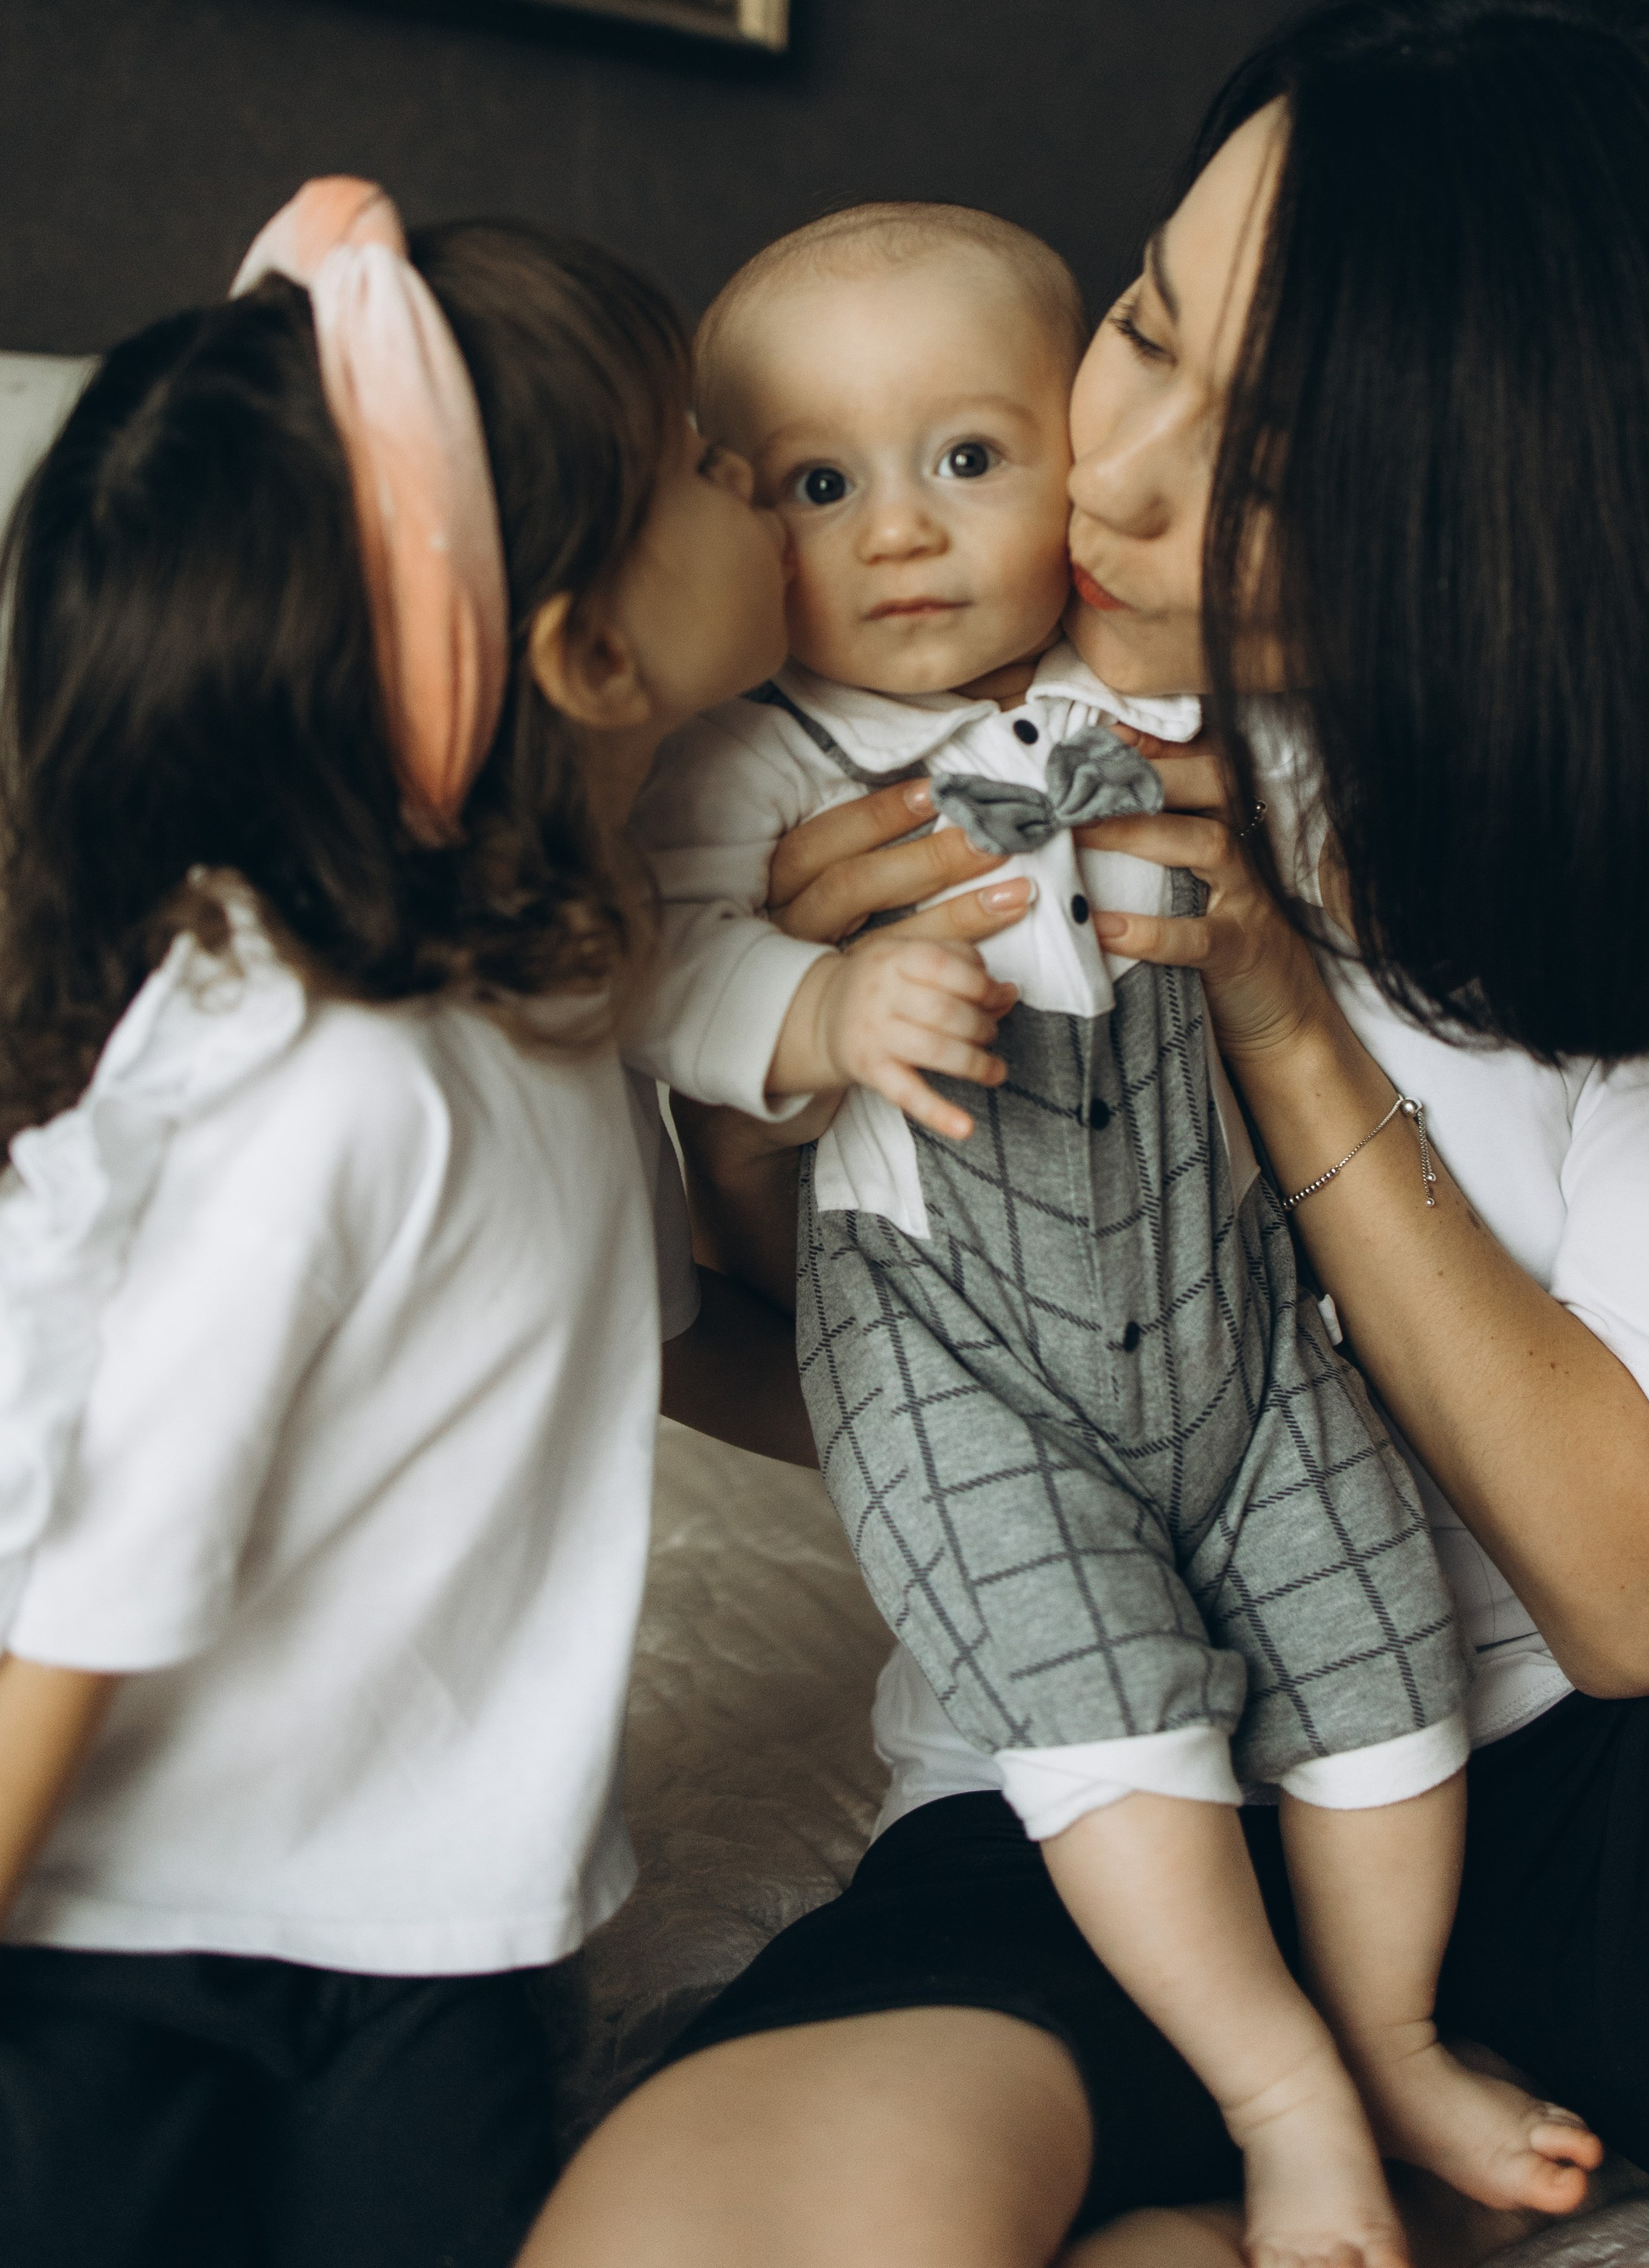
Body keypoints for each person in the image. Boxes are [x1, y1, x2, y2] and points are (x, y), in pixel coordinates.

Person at [522, 0, 1649, 2268]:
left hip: (1573, 1744)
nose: (1125, 474)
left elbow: (1644, 1592)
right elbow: (791, 1363)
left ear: (1510, 507)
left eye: (1278, 450)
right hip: (1102, 1745)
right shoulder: (902, 736)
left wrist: (1281, 1014)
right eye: (1151, 332)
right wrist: (774, 1077)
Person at [627, 199, 1598, 2267]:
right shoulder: (746, 770)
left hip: (1229, 1323)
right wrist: (814, 1006)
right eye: (819, 483)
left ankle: (1396, 2030)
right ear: (727, 510)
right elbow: (656, 976)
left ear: (1078, 457)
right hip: (960, 1364)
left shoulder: (1155, 701)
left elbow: (1327, 863)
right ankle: (1277, 2088)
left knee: (1376, 1651)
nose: (897, 532)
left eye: (965, 458)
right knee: (1105, 1701)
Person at [0, 180, 804, 2268]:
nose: (758, 476)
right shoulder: (335, 1076)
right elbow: (87, 1599)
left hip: (444, 1926)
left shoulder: (553, 993)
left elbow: (634, 1357)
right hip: (123, 1924)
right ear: (590, 651)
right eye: (708, 460)